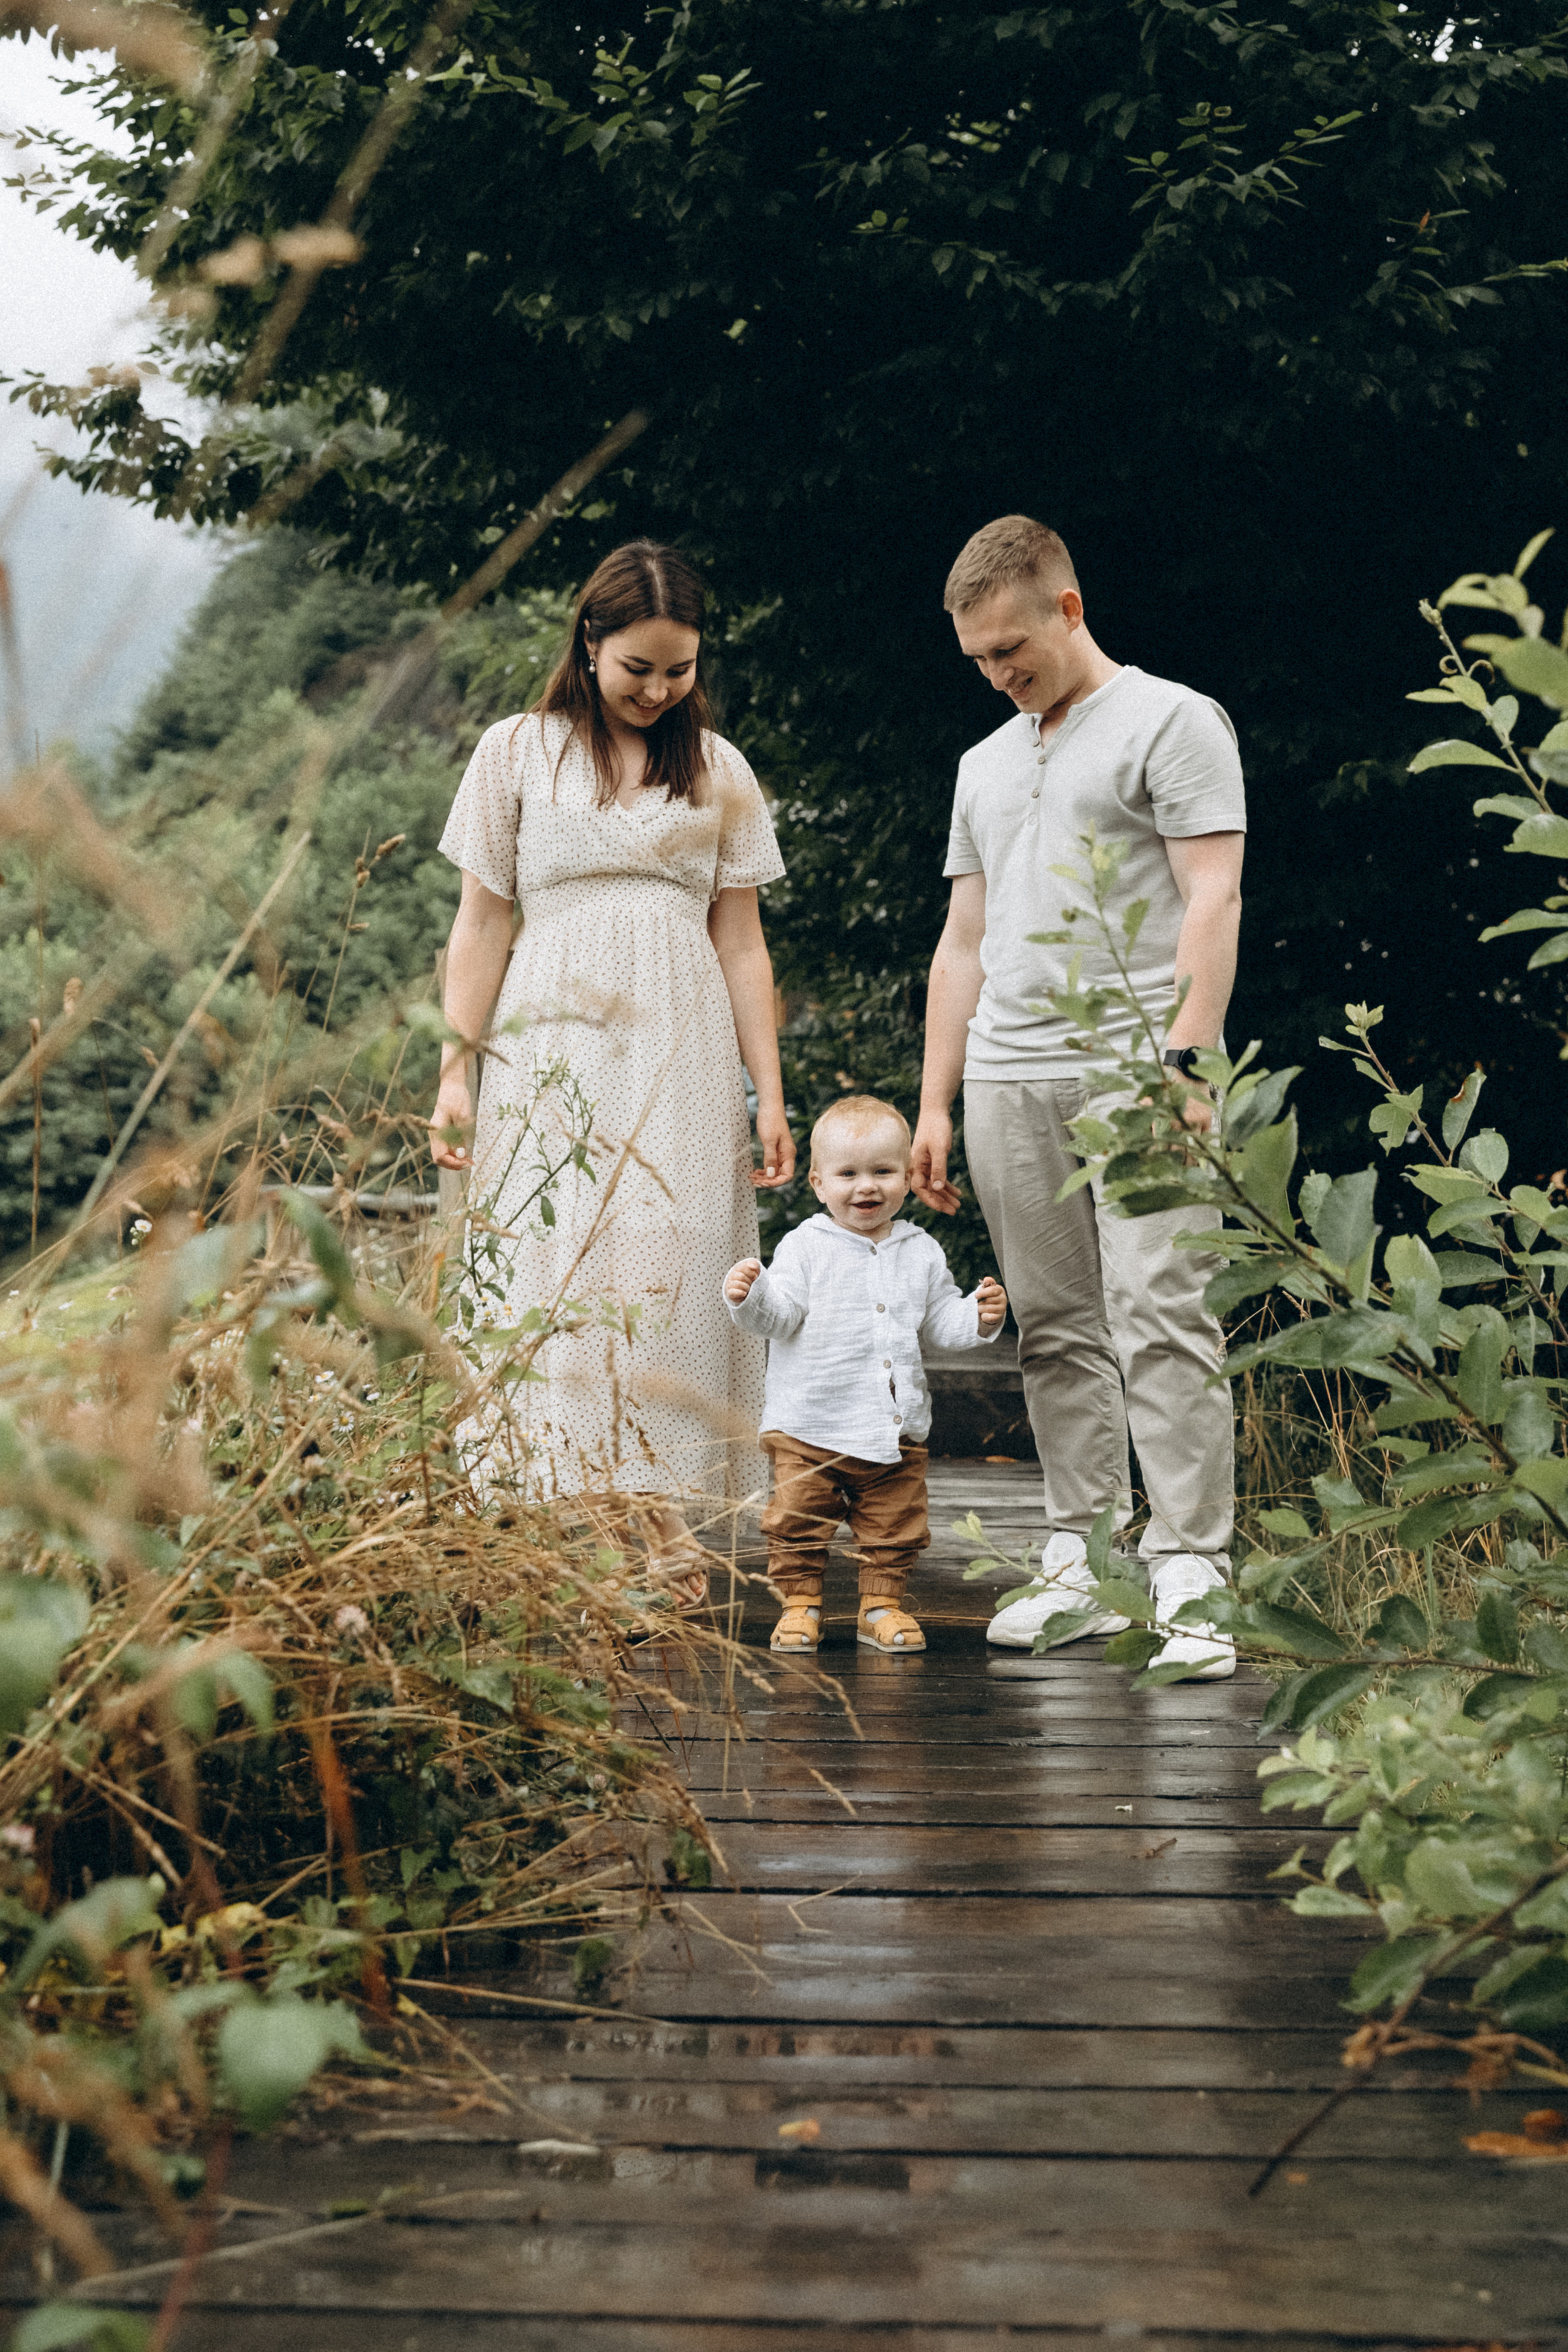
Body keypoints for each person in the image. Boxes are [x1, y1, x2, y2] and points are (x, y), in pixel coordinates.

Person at [910, 516, 1245, 1682]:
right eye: (978, 661)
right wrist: (936, 1101)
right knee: (1055, 1331)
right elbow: (964, 941)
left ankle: (1194, 1565)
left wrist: (1187, 1060)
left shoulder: (1174, 721)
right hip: (1008, 1073)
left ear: (1068, 607)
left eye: (1013, 649)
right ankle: (1085, 1559)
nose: (1000, 676)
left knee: (1163, 1313)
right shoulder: (982, 765)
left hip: (1136, 1068)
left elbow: (1215, 897)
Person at [429, 539, 794, 1604]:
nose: (659, 690)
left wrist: (768, 1090)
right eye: (639, 668)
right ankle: (584, 1525)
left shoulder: (719, 769)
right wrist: (457, 1071)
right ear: (589, 643)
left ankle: (661, 1519)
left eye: (679, 670)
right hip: (551, 1039)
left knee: (672, 1262)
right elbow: (480, 923)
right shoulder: (515, 752)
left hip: (683, 1043)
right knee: (560, 1264)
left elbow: (744, 944)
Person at [725, 1095, 1006, 1654]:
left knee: (894, 1527)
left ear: (907, 1178)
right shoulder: (806, 1247)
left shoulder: (920, 1250)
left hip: (893, 1430)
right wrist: (750, 1295)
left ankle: (881, 1606)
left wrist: (976, 1315)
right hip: (810, 1425)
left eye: (883, 1172)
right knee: (798, 1521)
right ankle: (800, 1606)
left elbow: (939, 1320)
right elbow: (779, 1319)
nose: (866, 1187)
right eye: (848, 1174)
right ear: (818, 1184)